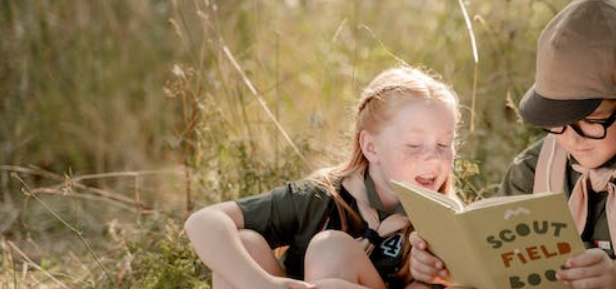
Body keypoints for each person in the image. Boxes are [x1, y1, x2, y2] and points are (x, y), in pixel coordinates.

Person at [409, 0, 616, 289]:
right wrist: (450, 270)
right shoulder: (532, 171)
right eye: (557, 121)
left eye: (591, 120)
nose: (570, 138)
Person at [185, 66, 461, 289]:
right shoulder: (322, 196)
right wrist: (261, 283)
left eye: (444, 144)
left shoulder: (444, 222)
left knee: (332, 250)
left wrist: (441, 277)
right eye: (414, 145)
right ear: (370, 147)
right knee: (246, 245)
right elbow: (203, 221)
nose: (432, 158)